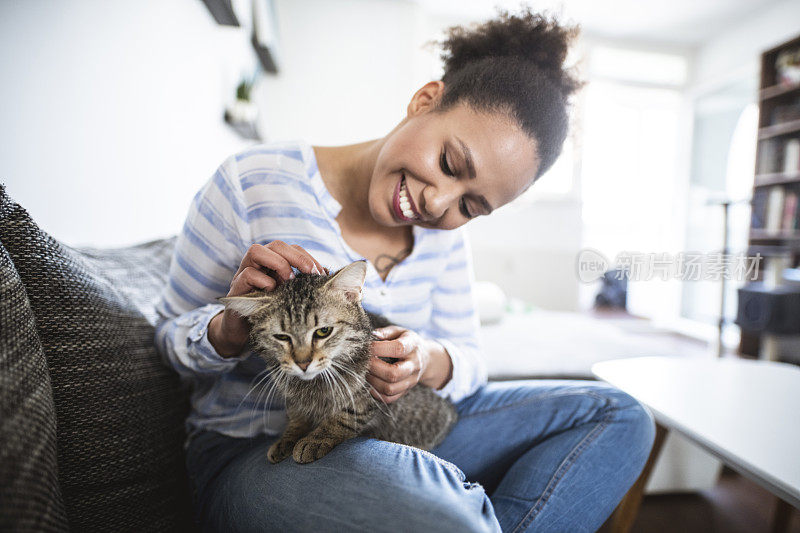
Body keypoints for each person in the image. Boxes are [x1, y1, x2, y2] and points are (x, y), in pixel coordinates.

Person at [154, 8, 655, 533]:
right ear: (424, 101)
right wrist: (230, 327)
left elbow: (471, 364)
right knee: (445, 518)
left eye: (471, 206)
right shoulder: (251, 182)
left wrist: (427, 358)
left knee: (623, 416)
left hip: (396, 426)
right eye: (449, 163)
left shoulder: (442, 239)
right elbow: (167, 340)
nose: (439, 204)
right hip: (255, 450)